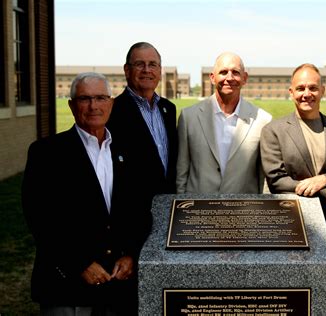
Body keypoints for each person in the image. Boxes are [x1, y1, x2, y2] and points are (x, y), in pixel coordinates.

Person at [22, 73, 151, 315]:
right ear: (72, 105)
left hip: (118, 286)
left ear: (111, 103)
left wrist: (132, 254)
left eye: (101, 98)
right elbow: (40, 219)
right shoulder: (46, 153)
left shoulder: (128, 151)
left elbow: (140, 210)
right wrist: (79, 264)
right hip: (68, 286)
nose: (94, 106)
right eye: (85, 99)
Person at [260, 63, 326, 316]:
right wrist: (325, 191)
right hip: (291, 231)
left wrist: (325, 178)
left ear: (322, 90)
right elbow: (277, 180)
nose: (307, 93)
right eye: (300, 88)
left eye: (313, 87)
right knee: (290, 302)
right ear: (290, 92)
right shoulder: (274, 131)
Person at [176, 52, 272, 193]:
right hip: (198, 209)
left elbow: (264, 179)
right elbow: (181, 172)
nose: (229, 78)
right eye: (223, 72)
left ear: (244, 78)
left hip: (243, 210)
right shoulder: (189, 117)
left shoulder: (263, 120)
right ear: (213, 78)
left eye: (235, 72)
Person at [107, 42, 177, 209]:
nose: (147, 70)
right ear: (127, 70)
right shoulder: (111, 111)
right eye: (140, 64)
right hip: (132, 213)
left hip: (169, 208)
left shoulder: (169, 109)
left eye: (153, 64)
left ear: (160, 71)